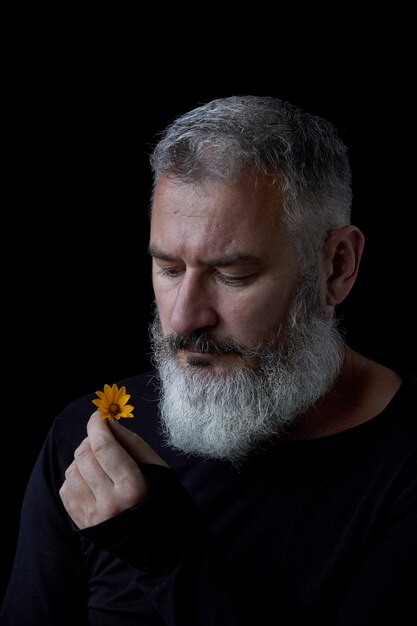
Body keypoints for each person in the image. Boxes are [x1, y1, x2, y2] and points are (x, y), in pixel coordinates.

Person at [2, 95, 416, 626]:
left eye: (232, 275)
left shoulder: (407, 464)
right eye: (169, 269)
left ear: (337, 267)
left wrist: (164, 550)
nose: (183, 318)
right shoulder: (92, 439)